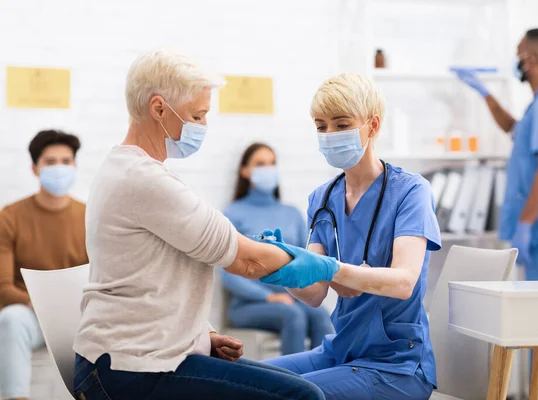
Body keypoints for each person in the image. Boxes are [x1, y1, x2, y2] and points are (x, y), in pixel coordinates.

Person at [71, 49, 341, 400]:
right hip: (128, 369)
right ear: (158, 109)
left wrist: (200, 335)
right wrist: (331, 268)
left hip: (135, 357)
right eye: (197, 115)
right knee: (304, 397)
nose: (203, 126)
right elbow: (247, 260)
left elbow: (149, 280)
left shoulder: (126, 169)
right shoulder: (144, 180)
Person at [258, 73, 442, 400]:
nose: (329, 134)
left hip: (396, 365)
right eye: (321, 125)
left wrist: (331, 269)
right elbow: (314, 293)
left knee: (289, 395)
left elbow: (403, 282)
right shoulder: (323, 198)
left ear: (372, 126)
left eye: (341, 124)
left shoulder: (410, 191)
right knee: (247, 382)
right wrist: (282, 266)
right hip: (342, 350)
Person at [453, 28, 538, 400]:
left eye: (518, 53)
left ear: (531, 59)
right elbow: (514, 129)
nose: (515, 59)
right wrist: (484, 92)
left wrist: (525, 223)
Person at [0, 130, 88, 400]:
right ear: (35, 168)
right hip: (31, 315)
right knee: (11, 319)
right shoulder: (9, 217)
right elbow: (3, 287)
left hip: (77, 317)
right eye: (50, 162)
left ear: (75, 165)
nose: (59, 167)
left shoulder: (89, 216)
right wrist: (42, 305)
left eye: (66, 160)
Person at [222, 143, 333, 355]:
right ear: (245, 171)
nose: (268, 169)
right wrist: (268, 297)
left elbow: (305, 260)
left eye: (272, 163)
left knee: (320, 315)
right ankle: (295, 383)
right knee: (293, 315)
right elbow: (227, 274)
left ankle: (322, 381)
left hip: (292, 299)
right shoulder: (234, 213)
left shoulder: (291, 213)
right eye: (261, 164)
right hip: (248, 305)